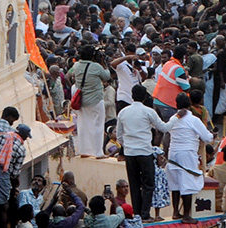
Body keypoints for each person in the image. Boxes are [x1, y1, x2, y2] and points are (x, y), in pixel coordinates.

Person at [115, 86, 173, 220]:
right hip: (145, 152)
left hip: (130, 153)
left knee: (134, 184)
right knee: (148, 184)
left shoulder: (123, 112)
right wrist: (175, 119)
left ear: (132, 95)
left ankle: (137, 214)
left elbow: (119, 136)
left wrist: (128, 145)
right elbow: (163, 127)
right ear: (144, 97)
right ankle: (145, 213)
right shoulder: (149, 112)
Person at [164, 93, 211, 224]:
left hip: (173, 153)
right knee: (187, 184)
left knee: (175, 184)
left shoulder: (173, 118)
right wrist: (212, 135)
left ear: (176, 105)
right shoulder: (193, 119)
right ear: (189, 104)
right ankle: (186, 215)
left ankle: (175, 212)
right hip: (187, 154)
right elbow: (206, 137)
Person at [72, 46, 112, 157]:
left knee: (83, 125)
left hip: (82, 101)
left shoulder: (77, 66)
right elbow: (107, 76)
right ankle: (98, 152)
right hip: (95, 100)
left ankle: (84, 151)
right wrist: (104, 63)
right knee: (97, 126)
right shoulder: (96, 67)